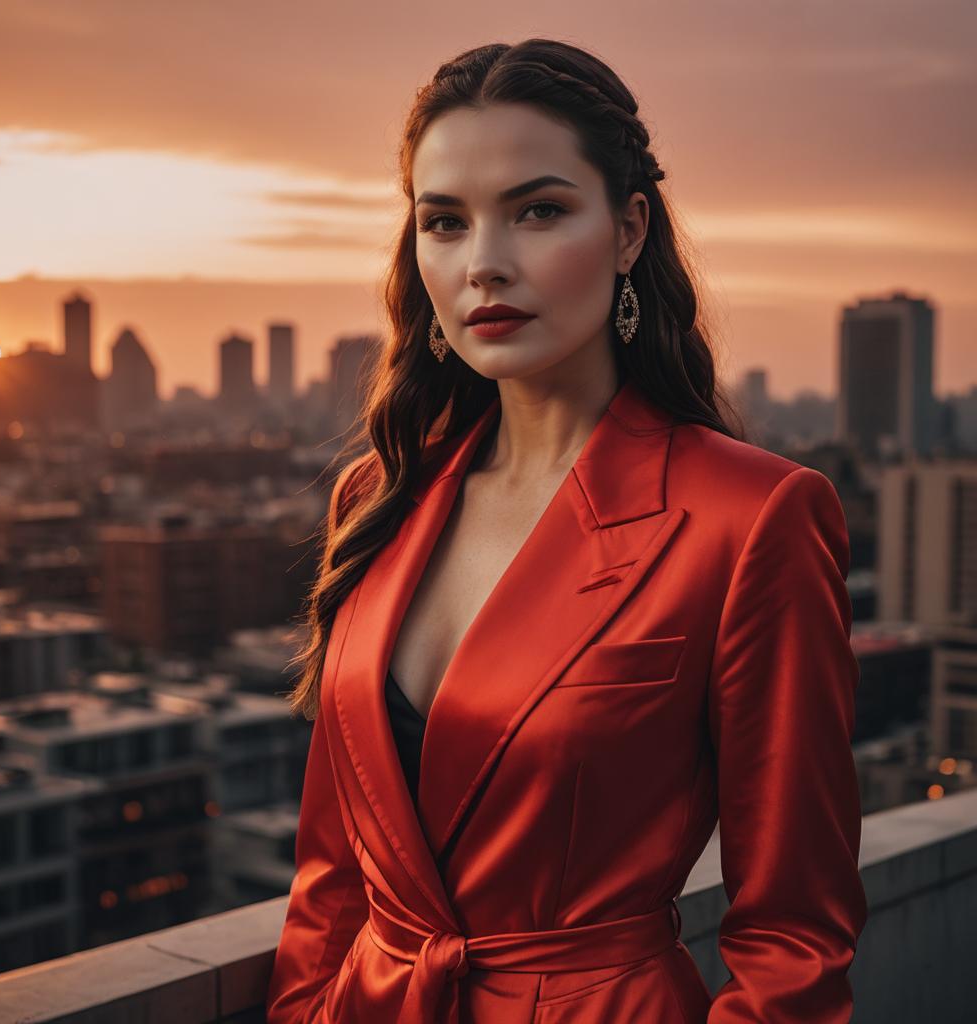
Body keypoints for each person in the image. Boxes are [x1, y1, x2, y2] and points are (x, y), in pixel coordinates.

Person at [265, 37, 867, 1024]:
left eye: (538, 210)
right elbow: (333, 871)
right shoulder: (380, 494)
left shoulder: (750, 518)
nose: (484, 264)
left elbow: (795, 936)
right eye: (445, 223)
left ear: (628, 229)